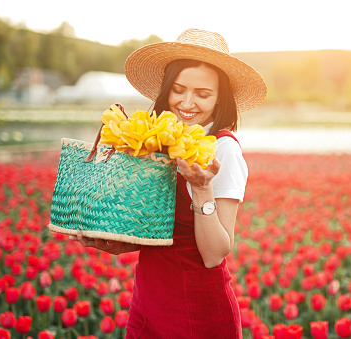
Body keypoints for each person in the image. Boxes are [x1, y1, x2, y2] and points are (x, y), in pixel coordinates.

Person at [69, 28, 267, 338]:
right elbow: (161, 232)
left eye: (203, 94)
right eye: (178, 89)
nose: (187, 103)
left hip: (198, 311)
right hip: (147, 303)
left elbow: (215, 253)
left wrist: (202, 188)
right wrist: (117, 243)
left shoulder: (223, 149)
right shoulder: (157, 140)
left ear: (219, 99)